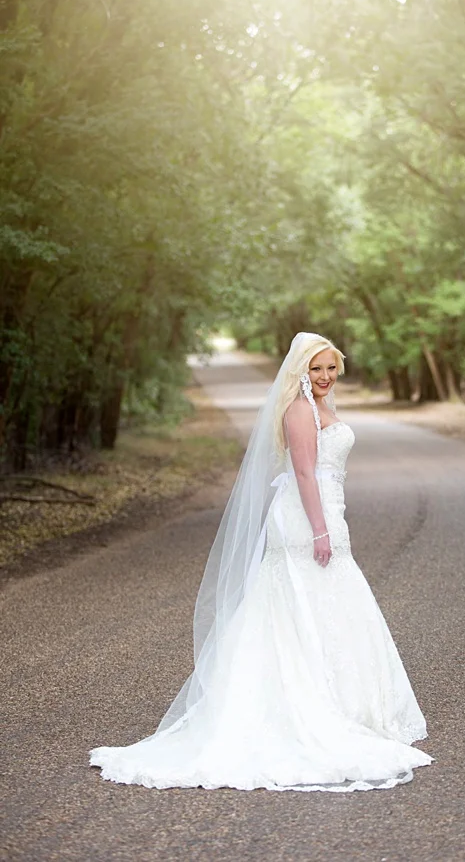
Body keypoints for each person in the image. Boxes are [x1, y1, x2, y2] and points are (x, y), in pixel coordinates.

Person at [91, 332, 432, 791]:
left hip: (327, 512)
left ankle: (347, 705)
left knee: (330, 605)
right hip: (305, 519)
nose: (326, 376)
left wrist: (330, 520)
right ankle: (300, 709)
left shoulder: (323, 406)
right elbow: (306, 472)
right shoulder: (298, 409)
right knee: (298, 607)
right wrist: (320, 529)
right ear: (301, 371)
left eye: (331, 367)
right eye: (316, 369)